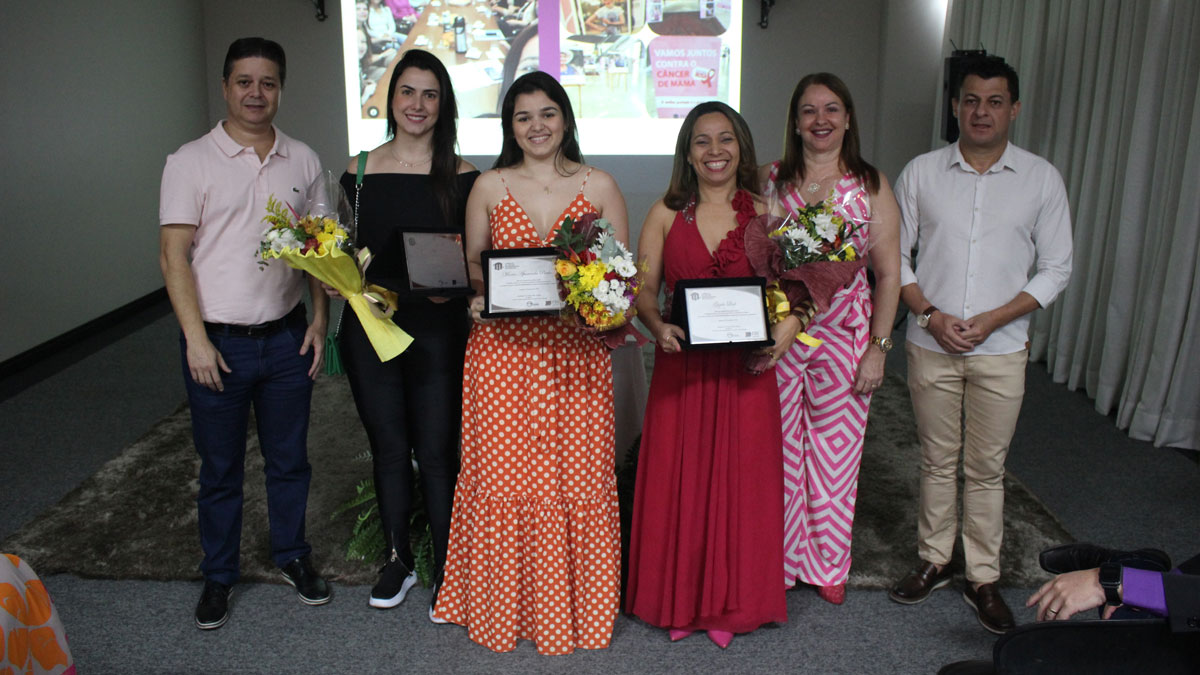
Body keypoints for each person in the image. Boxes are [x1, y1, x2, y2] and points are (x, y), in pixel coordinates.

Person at [433, 71, 629, 654]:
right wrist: (477, 296)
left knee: (578, 477)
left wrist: (600, 299)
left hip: (575, 357)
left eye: (547, 113)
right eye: (523, 117)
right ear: (509, 127)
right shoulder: (489, 185)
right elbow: (472, 262)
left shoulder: (600, 183)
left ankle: (575, 611)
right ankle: (500, 609)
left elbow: (616, 271)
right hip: (503, 358)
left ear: (565, 118)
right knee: (501, 477)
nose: (537, 126)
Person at [887, 56, 1073, 634]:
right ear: (955, 106)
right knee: (938, 459)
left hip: (1002, 347)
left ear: (1013, 108)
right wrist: (931, 314)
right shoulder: (921, 172)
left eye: (995, 101)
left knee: (987, 468)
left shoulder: (1041, 178)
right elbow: (895, 256)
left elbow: (1057, 267)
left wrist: (994, 318)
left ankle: (983, 576)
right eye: (971, 100)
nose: (982, 111)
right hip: (930, 340)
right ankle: (935, 560)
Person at [159, 37, 330, 631]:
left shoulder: (303, 160)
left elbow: (319, 251)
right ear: (226, 86)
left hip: (286, 341)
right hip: (218, 345)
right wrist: (195, 339)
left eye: (268, 82)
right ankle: (219, 574)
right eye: (244, 82)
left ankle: (292, 556)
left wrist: (317, 320)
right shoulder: (189, 161)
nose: (256, 94)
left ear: (281, 88)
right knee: (220, 467)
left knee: (289, 461)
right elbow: (173, 256)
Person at [625, 101, 787, 649]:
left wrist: (779, 336)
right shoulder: (664, 214)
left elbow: (792, 296)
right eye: (701, 141)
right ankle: (678, 600)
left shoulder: (769, 213)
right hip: (683, 366)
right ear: (687, 154)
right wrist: (655, 324)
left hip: (746, 372)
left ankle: (731, 605)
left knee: (743, 486)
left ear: (741, 146)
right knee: (680, 481)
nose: (714, 151)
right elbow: (644, 291)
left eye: (725, 139)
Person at [333, 49, 478, 618]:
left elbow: (478, 262)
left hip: (440, 330)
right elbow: (343, 247)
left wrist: (460, 285)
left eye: (430, 94)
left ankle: (449, 565)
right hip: (371, 328)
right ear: (391, 99)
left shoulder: (466, 177)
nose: (417, 105)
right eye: (407, 92)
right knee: (389, 448)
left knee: (439, 453)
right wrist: (332, 276)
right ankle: (397, 559)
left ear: (444, 106)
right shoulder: (359, 169)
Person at [759, 73, 902, 605]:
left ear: (847, 119)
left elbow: (888, 275)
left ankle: (827, 563)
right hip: (779, 335)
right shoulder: (770, 179)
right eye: (810, 110)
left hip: (844, 338)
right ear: (795, 121)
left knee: (833, 459)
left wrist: (878, 348)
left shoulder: (870, 184)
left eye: (832, 109)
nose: (821, 120)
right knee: (777, 451)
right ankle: (777, 560)